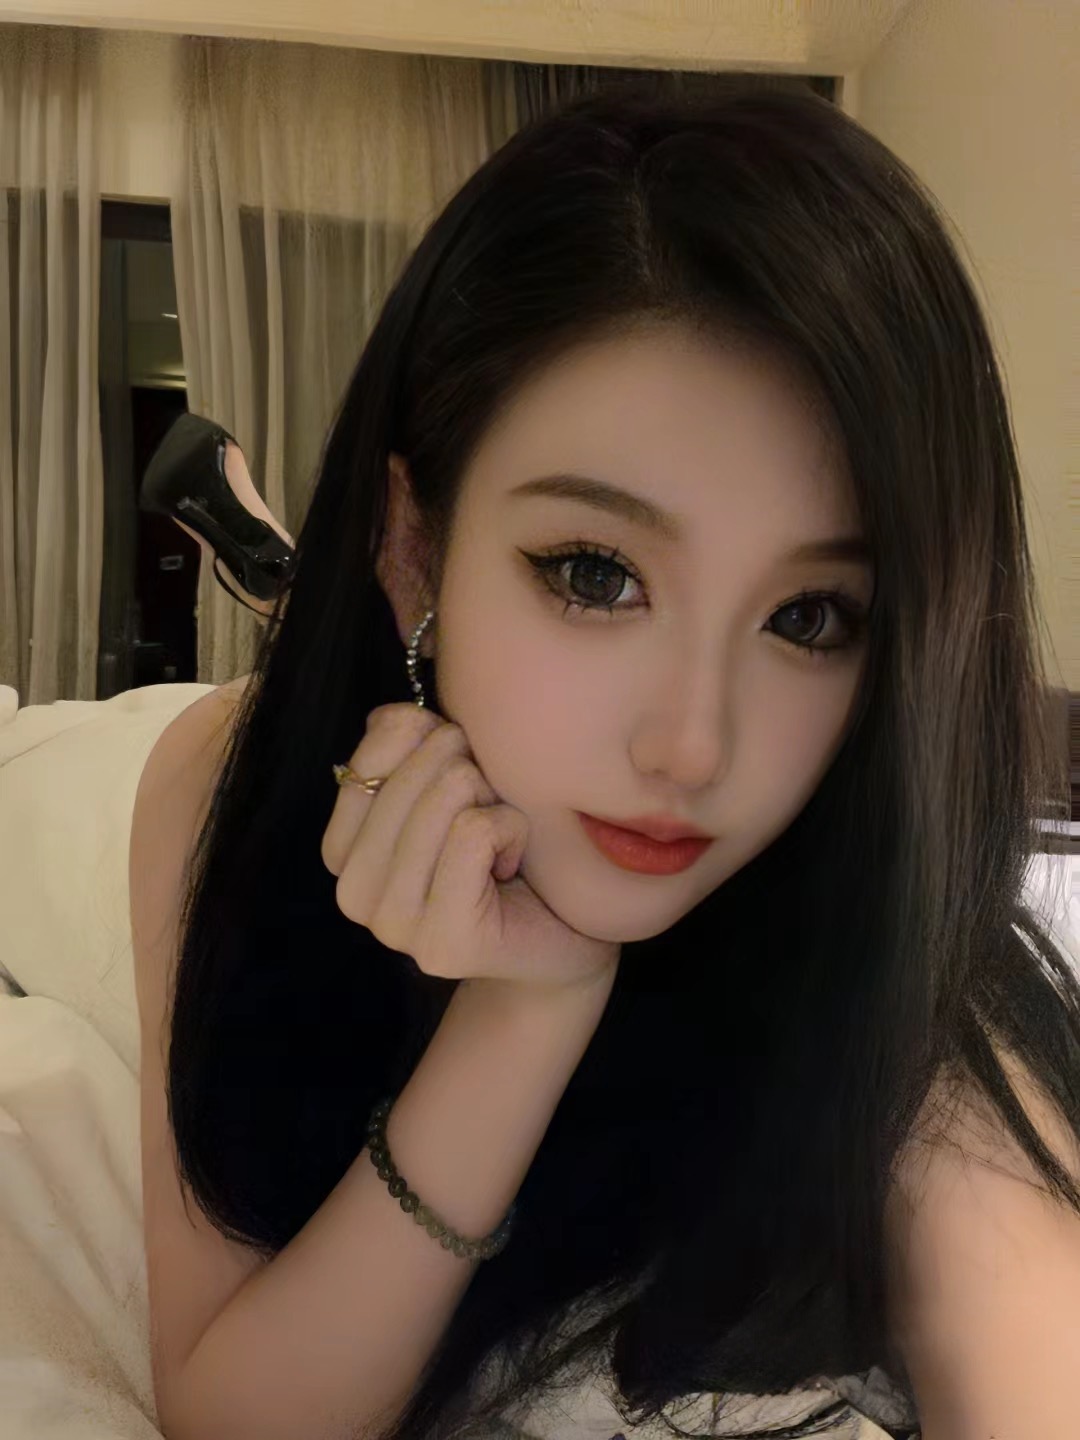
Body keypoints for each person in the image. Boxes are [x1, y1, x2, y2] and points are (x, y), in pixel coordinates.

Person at [134, 79, 1078, 1440]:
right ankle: (279, 560)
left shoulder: (897, 965)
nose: (692, 749)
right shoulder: (218, 777)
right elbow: (232, 1416)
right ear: (415, 543)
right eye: (594, 573)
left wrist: (542, 982)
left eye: (809, 617)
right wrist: (519, 1023)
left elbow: (1027, 1312)